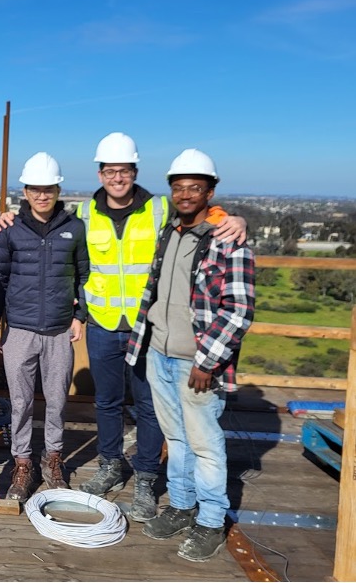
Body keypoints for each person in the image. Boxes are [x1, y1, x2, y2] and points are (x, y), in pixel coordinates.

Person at [0, 133, 246, 521]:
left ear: (134, 171)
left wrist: (231, 218)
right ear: (100, 173)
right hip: (102, 323)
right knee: (107, 402)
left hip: (148, 328)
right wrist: (8, 217)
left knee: (147, 405)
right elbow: (44, 231)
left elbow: (198, 212)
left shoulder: (159, 208)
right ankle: (111, 464)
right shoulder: (84, 215)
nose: (116, 178)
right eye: (110, 171)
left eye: (123, 170)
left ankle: (145, 476)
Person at [126, 149, 255, 562]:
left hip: (197, 362)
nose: (185, 195)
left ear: (210, 191)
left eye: (194, 188)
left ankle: (212, 521)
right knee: (177, 440)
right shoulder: (171, 233)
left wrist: (206, 362)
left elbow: (238, 310)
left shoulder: (228, 240)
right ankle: (182, 507)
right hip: (159, 352)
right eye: (178, 188)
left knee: (205, 444)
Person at [0, 153, 89, 501]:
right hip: (20, 330)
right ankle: (23, 462)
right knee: (20, 402)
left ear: (58, 190)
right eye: (35, 189)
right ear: (25, 191)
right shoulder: (10, 230)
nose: (42, 195)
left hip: (59, 329)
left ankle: (54, 458)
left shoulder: (75, 228)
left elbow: (84, 275)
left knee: (57, 400)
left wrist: (80, 316)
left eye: (48, 189)